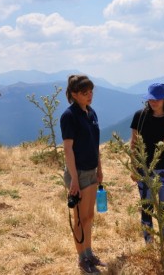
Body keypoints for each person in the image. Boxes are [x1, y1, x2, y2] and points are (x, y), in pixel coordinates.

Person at [60, 75, 106, 274]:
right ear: (73, 95)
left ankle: (89, 253)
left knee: (89, 216)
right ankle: (82, 259)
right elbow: (68, 149)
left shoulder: (91, 113)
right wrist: (74, 180)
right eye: (85, 93)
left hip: (91, 171)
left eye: (91, 92)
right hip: (78, 173)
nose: (90, 96)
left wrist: (100, 169)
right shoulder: (69, 116)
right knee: (79, 218)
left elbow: (95, 144)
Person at [130, 83, 164, 243]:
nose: (154, 102)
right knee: (147, 208)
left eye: (157, 99)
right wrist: (134, 168)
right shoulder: (139, 116)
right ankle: (149, 243)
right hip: (144, 169)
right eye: (151, 99)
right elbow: (133, 143)